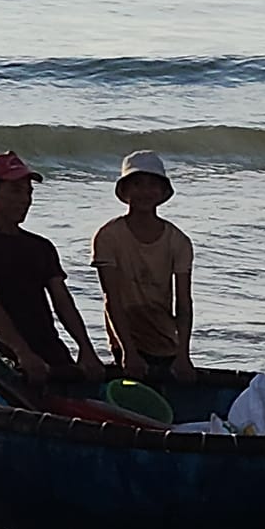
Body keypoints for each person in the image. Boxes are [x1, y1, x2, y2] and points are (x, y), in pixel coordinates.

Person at [0, 152, 104, 385]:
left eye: (28, 192)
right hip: (6, 358)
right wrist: (21, 352)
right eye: (15, 191)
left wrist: (86, 348)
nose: (24, 199)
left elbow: (62, 302)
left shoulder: (40, 246)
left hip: (51, 350)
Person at [90, 150, 195, 383]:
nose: (145, 192)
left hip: (166, 340)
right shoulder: (108, 237)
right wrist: (128, 350)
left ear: (162, 192)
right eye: (137, 184)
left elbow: (184, 303)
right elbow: (112, 299)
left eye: (152, 185)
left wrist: (183, 354)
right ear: (125, 192)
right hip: (126, 340)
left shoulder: (178, 241)